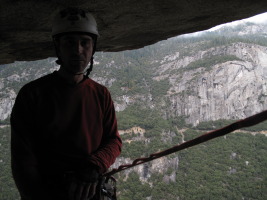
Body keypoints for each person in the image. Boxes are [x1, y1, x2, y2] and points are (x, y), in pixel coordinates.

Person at [10, 7, 122, 200]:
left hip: (90, 190)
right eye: (69, 43)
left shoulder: (101, 94)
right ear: (58, 46)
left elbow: (113, 140)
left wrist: (94, 165)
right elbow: (23, 161)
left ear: (92, 47)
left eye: (84, 43)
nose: (77, 51)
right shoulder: (32, 95)